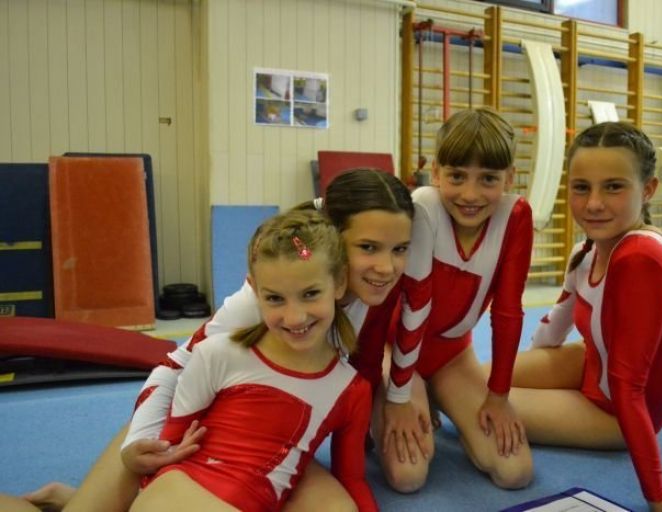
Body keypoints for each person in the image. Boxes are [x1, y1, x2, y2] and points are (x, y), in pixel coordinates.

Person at [12, 168, 415, 512]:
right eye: (368, 248)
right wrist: (143, 440)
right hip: (204, 424)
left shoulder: (372, 292)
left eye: (398, 250)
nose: (386, 267)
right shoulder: (258, 304)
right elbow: (175, 368)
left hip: (273, 443)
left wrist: (399, 399)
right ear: (333, 241)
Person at [499, 122, 662, 511]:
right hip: (592, 362)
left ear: (648, 189)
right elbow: (554, 326)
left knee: (473, 399)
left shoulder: (640, 260)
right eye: (581, 187)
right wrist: (527, 374)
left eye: (613, 187)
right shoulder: (586, 250)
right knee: (476, 380)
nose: (594, 203)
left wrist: (659, 499)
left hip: (616, 410)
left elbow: (629, 386)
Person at [129, 209, 377, 512]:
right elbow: (167, 449)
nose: (294, 317)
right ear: (255, 291)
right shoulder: (217, 353)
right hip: (178, 491)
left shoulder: (351, 389)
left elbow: (352, 479)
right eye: (275, 298)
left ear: (339, 283)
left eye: (310, 294)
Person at [381, 107, 534, 492]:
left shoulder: (515, 216)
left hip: (452, 355)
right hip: (393, 348)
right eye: (457, 177)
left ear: (509, 178)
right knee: (408, 476)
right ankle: (385, 404)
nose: (470, 194)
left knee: (514, 472)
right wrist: (397, 396)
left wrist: (498, 396)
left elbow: (508, 311)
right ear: (436, 173)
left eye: (488, 179)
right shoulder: (425, 206)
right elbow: (415, 305)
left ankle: (439, 396)